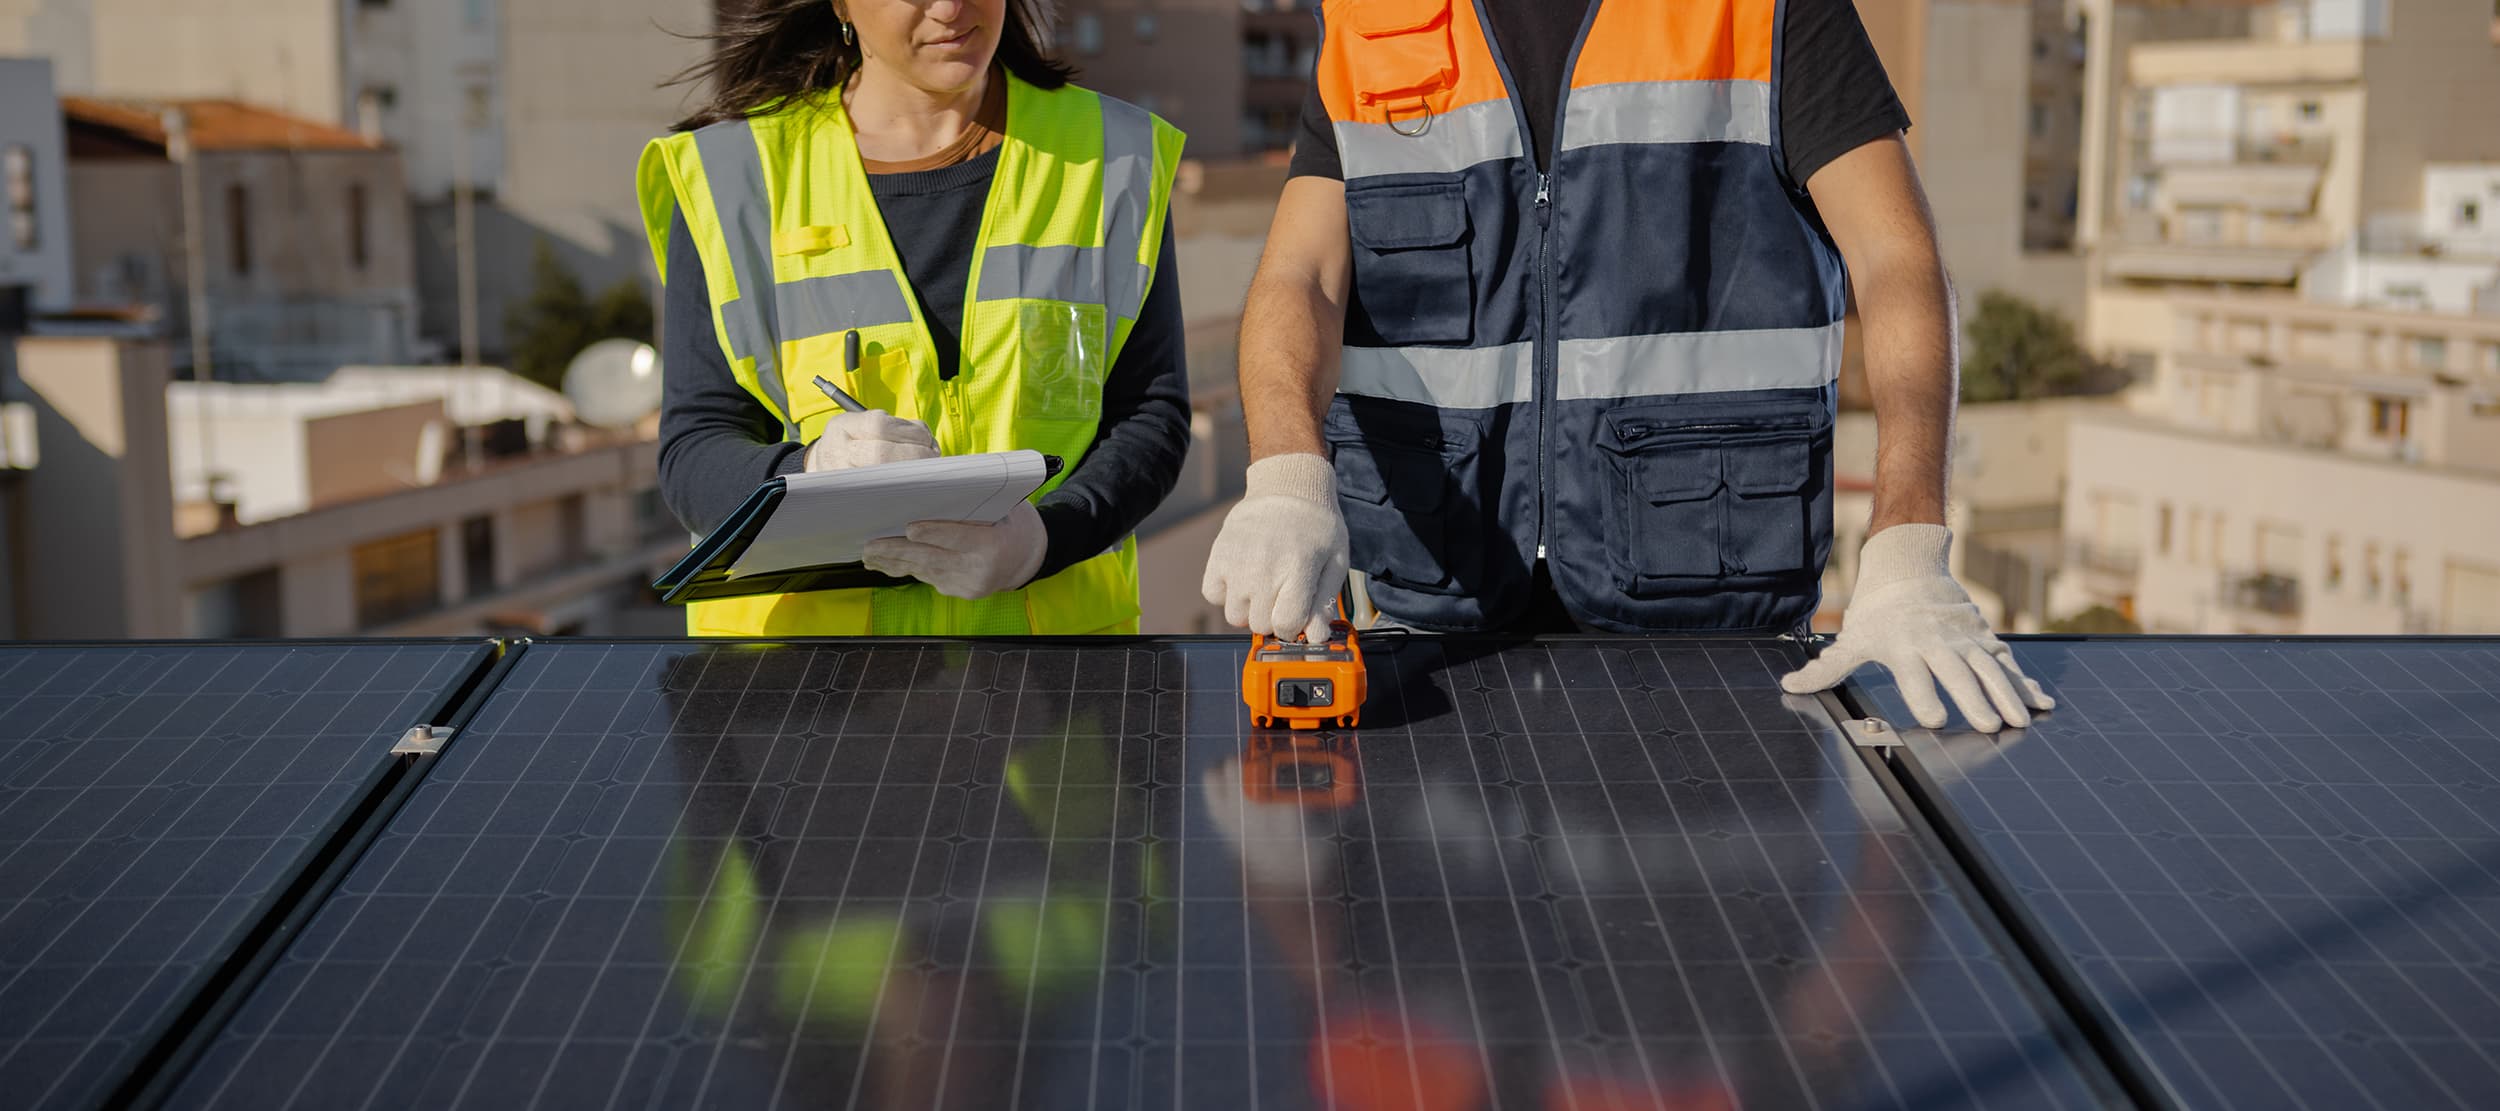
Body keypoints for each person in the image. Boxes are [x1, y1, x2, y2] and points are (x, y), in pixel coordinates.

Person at [1198, 0, 2054, 731]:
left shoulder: (1756, 10)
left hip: (1717, 634)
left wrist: (1907, 544)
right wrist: (1283, 473)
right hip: (1436, 635)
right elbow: (1299, 275)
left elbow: (1894, 257)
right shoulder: (1375, 18)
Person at [641, 0, 1190, 637]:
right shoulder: (735, 177)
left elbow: (1150, 413)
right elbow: (695, 450)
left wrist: (1044, 537)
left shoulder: (1114, 157)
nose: (952, 7)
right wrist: (808, 474)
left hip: (1055, 696)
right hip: (802, 699)